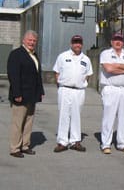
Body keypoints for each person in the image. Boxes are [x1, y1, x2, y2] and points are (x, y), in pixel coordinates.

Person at [7, 30, 45, 158]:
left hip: (32, 95)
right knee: (18, 123)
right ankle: (15, 148)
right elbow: (13, 76)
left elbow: (37, 75)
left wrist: (40, 92)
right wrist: (17, 93)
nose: (32, 42)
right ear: (24, 40)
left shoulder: (34, 55)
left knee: (29, 121)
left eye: (34, 41)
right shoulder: (16, 54)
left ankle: (25, 145)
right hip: (20, 95)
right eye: (30, 40)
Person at [52, 35, 93, 153]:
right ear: (71, 44)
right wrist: (60, 85)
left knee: (76, 116)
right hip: (65, 89)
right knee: (63, 115)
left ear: (82, 44)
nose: (77, 45)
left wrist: (81, 83)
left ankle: (75, 141)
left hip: (79, 91)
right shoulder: (63, 56)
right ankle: (62, 142)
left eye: (79, 42)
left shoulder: (86, 59)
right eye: (75, 42)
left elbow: (88, 74)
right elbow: (57, 72)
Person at [99, 33, 124, 154]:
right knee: (108, 117)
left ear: (123, 42)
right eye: (115, 40)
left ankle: (122, 143)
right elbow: (109, 69)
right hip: (111, 89)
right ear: (111, 42)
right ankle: (105, 144)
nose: (118, 42)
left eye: (120, 40)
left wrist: (119, 65)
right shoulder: (106, 54)